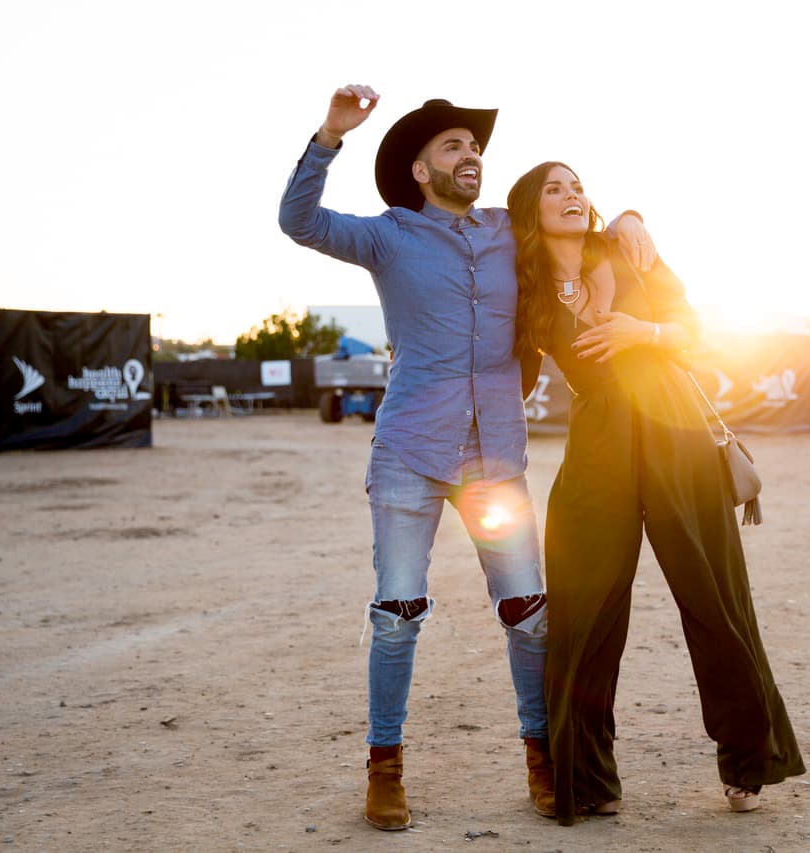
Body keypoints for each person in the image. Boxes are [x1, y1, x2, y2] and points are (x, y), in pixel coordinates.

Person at [277, 85, 657, 831]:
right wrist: (329, 134)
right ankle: (383, 768)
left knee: (529, 616)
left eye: (475, 146)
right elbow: (298, 221)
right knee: (396, 612)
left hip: (495, 460)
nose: (471, 155)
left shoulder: (507, 232)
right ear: (421, 171)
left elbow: (574, 221)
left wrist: (629, 216)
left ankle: (542, 761)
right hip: (410, 453)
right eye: (452, 147)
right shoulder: (389, 236)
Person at [508, 162, 807, 825]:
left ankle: (747, 762)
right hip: (598, 439)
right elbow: (505, 376)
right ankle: (587, 777)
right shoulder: (525, 293)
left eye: (577, 184)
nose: (572, 195)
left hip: (674, 426)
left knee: (713, 594)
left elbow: (692, 331)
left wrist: (637, 331)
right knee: (586, 607)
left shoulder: (631, 246)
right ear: (530, 212)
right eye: (554, 188)